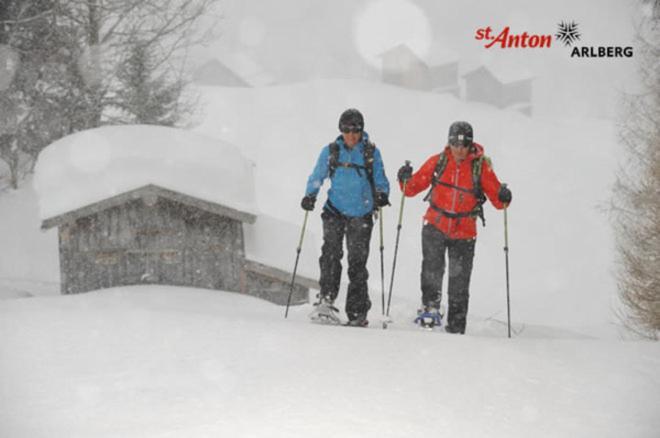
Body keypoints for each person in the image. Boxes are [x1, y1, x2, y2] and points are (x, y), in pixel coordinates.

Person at [397, 121, 512, 334]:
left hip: (464, 231)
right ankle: (430, 308)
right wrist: (404, 178)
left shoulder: (480, 167)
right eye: (455, 144)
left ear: (470, 145)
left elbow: (499, 201)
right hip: (435, 224)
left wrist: (503, 196)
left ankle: (456, 324)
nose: (459, 149)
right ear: (449, 143)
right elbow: (412, 188)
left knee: (459, 281)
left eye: (463, 144)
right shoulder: (438, 161)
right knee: (432, 268)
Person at [301, 108, 390, 327]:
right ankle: (326, 299)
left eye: (355, 130)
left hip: (362, 213)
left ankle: (358, 311)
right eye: (347, 130)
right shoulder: (332, 151)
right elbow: (317, 175)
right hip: (335, 211)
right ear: (341, 130)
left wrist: (382, 193)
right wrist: (310, 195)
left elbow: (380, 177)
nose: (351, 135)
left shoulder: (370, 153)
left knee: (357, 262)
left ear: (361, 131)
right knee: (331, 254)